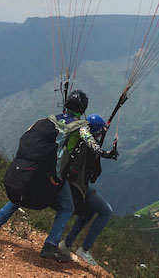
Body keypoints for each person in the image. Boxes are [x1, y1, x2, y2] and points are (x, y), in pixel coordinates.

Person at [0, 89, 117, 263]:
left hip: (35, 167)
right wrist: (105, 153)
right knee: (67, 206)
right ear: (83, 109)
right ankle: (51, 245)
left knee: (26, 188)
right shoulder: (80, 126)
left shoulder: (51, 119)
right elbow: (90, 142)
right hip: (54, 174)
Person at [58, 113, 118, 267]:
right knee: (106, 211)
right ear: (96, 133)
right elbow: (95, 171)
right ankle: (85, 249)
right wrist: (107, 154)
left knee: (90, 211)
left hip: (70, 182)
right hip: (78, 186)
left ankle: (67, 243)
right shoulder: (90, 148)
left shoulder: (79, 139)